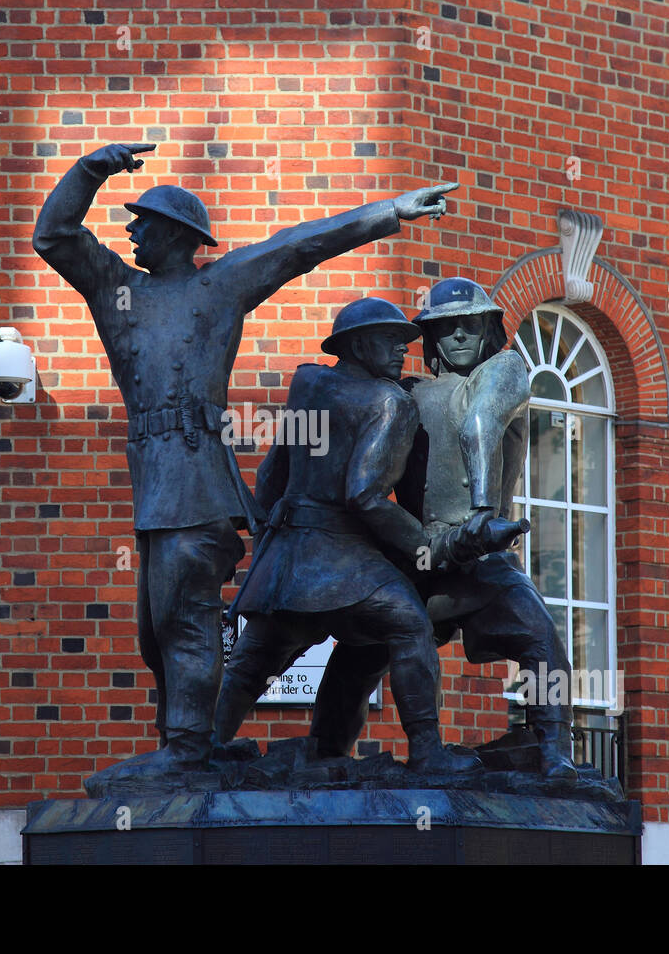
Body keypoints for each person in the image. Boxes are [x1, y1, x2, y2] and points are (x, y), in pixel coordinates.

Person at [32, 142, 456, 778]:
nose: (130, 230)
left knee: (185, 624)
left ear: (176, 235)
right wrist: (94, 168)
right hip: (154, 487)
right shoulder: (116, 288)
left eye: (141, 221)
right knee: (156, 636)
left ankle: (183, 754)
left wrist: (389, 212)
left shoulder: (219, 286)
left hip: (198, 486)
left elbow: (299, 244)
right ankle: (190, 748)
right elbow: (54, 235)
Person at [213, 298, 528, 774]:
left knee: (256, 657)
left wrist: (264, 523)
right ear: (359, 344)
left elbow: (275, 466)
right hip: (342, 558)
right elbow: (366, 495)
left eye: (406, 342)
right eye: (391, 341)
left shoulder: (307, 382)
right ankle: (427, 751)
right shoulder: (391, 402)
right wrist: (425, 547)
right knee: (408, 624)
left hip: (287, 552)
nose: (404, 351)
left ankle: (201, 747)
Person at [401, 276, 578, 782]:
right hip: (433, 553)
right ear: (430, 340)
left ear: (487, 331)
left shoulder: (504, 369)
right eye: (445, 328)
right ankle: (329, 745)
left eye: (469, 325)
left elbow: (482, 421)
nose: (458, 335)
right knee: (370, 651)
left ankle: (553, 750)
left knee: (541, 642)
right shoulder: (408, 392)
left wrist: (481, 510)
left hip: (470, 553)